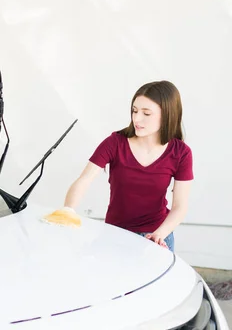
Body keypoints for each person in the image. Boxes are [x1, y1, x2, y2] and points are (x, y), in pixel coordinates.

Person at [55, 80, 193, 251]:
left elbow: (180, 206)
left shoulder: (181, 153)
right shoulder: (115, 143)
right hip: (115, 234)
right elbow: (84, 179)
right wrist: (68, 210)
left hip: (156, 236)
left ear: (167, 115)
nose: (137, 118)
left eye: (146, 113)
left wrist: (159, 234)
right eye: (134, 111)